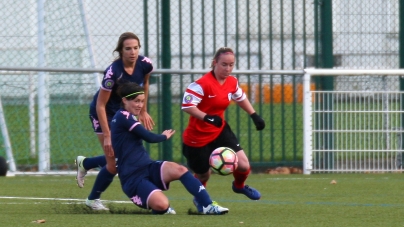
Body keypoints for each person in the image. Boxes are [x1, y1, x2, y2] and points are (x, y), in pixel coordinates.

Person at [111, 82, 229, 215]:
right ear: (124, 100)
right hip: (133, 178)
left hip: (147, 167)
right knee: (162, 205)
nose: (140, 105)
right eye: (136, 101)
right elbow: (149, 137)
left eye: (142, 101)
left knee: (180, 170)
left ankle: (207, 205)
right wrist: (163, 136)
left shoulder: (127, 116)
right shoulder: (123, 117)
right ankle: (161, 208)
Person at [74, 32, 155, 210]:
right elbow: (100, 105)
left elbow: (145, 84)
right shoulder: (113, 72)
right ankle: (92, 200)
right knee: (114, 164)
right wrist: (108, 135)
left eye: (135, 48)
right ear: (120, 51)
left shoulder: (146, 65)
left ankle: (85, 163)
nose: (132, 52)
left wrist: (143, 111)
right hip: (103, 113)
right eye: (128, 48)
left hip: (122, 113)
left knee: (121, 158)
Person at [181, 47, 266, 212]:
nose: (227, 69)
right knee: (204, 174)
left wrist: (254, 115)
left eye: (231, 65)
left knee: (243, 165)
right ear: (215, 63)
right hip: (196, 138)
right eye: (224, 65)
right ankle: (200, 199)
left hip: (219, 131)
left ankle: (239, 186)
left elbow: (240, 97)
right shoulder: (201, 84)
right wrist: (207, 117)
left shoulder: (232, 81)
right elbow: (187, 105)